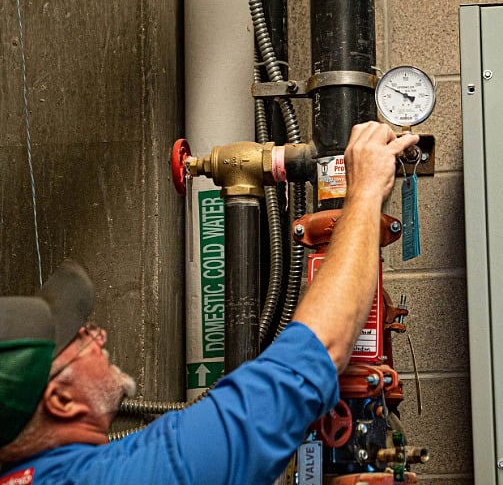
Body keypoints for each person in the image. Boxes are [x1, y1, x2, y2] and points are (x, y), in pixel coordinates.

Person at [0, 122, 419, 484]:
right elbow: (317, 352)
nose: (99, 334)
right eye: (81, 337)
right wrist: (364, 193)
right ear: (60, 401)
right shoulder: (128, 475)